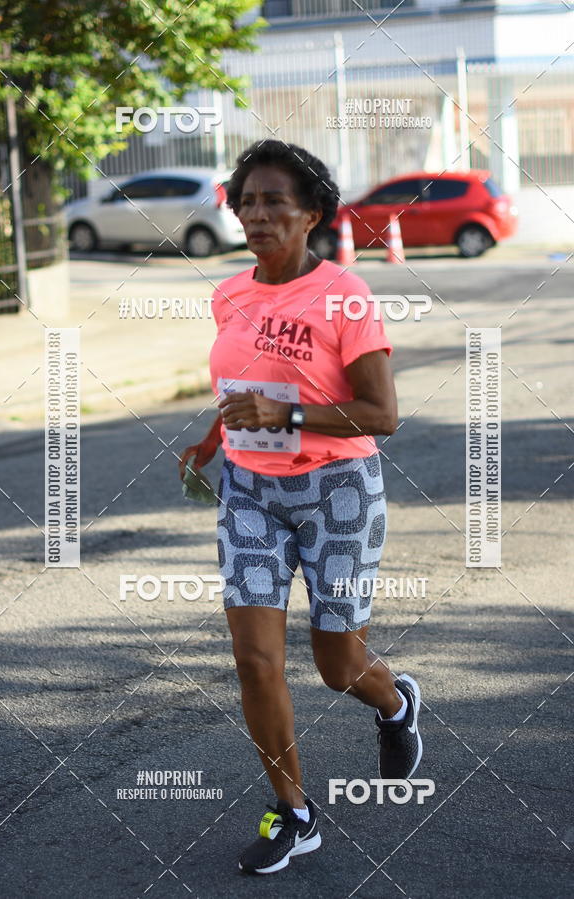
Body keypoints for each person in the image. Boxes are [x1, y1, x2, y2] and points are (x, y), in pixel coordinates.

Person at [179, 139, 422, 875]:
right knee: (255, 660)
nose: (256, 214)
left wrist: (284, 420)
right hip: (251, 490)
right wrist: (211, 437)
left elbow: (381, 414)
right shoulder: (229, 294)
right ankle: (294, 812)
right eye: (247, 200)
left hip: (338, 489)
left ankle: (395, 701)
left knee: (337, 661)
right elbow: (244, 387)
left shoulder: (344, 294)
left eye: (273, 200)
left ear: (312, 213)